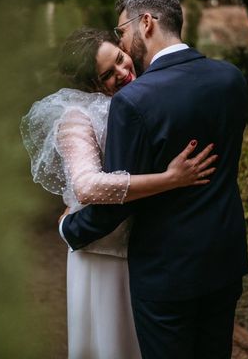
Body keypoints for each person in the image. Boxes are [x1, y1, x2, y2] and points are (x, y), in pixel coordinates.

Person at [59, 0, 248, 359]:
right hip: (224, 258)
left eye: (122, 34)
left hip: (167, 270)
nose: (124, 46)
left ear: (145, 23)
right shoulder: (231, 79)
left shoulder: (135, 101)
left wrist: (70, 229)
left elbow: (118, 203)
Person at [21, 28, 218, 359]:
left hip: (145, 253)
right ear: (90, 85)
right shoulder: (76, 117)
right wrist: (170, 178)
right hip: (103, 256)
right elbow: (86, 185)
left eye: (120, 59)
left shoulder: (143, 97)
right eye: (108, 74)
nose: (123, 72)